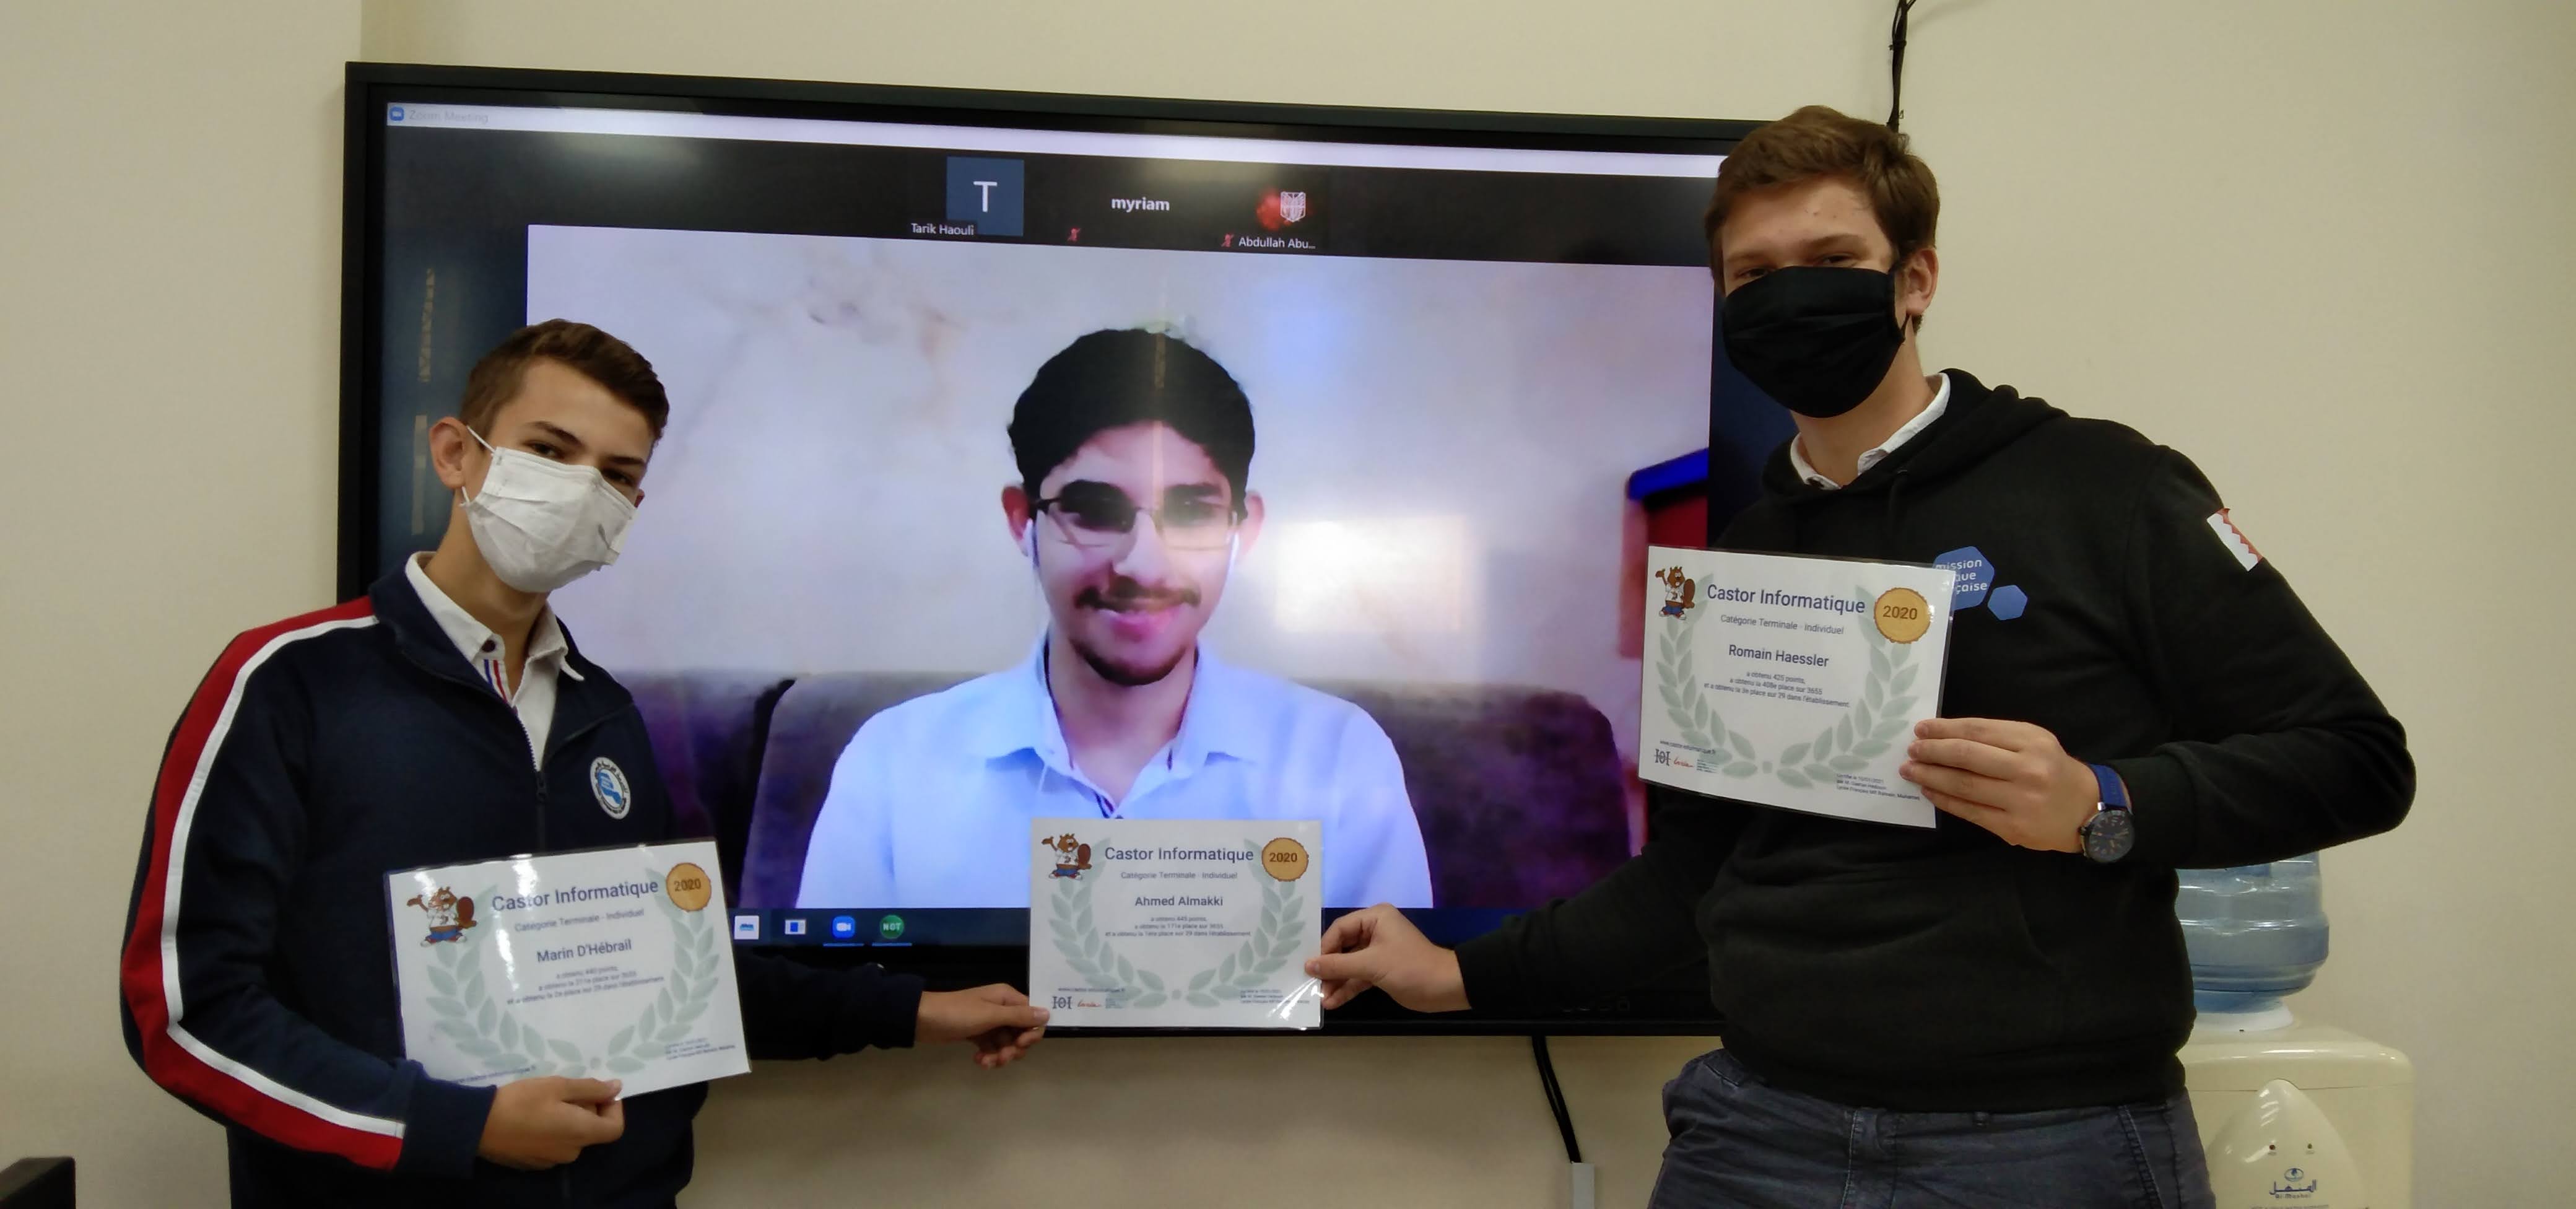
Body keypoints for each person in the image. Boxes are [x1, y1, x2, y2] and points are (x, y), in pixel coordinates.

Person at [1306, 107, 2413, 1206]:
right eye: (1755, 274)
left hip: (2049, 1139)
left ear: (1914, 279)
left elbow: (2357, 758)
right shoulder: (1742, 558)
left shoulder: (2104, 488)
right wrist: (1461, 970)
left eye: (1832, 261)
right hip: (1758, 1128)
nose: (1791, 295)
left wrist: (2100, 803)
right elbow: (1691, 873)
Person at [118, 321, 1049, 1208]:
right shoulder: (289, 683)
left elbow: (676, 979)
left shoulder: (604, 716)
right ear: (456, 454)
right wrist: (455, 1125)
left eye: (615, 475)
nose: (579, 490)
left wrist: (914, 1010)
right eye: (549, 451)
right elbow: (189, 1013)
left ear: (630, 512)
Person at [797, 328, 1433, 910]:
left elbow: (1383, 999)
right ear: (1022, 521)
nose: (1144, 565)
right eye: (1096, 511)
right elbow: (830, 991)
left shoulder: (1339, 760)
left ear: (1244, 530)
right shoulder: (895, 764)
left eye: (1191, 513)